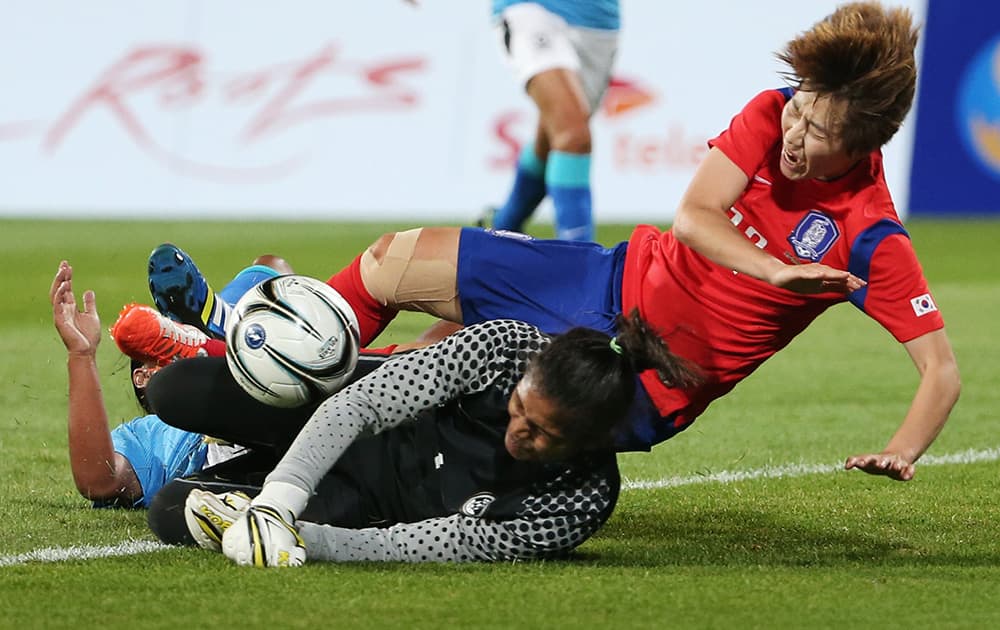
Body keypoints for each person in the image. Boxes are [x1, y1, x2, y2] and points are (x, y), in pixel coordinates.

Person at [154, 3, 960, 481]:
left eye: (816, 131)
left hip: (643, 382)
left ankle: (247, 366)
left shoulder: (870, 236)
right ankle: (267, 351)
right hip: (605, 279)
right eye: (798, 109)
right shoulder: (769, 109)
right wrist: (776, 270)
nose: (793, 131)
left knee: (424, 403)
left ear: (864, 142)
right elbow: (694, 218)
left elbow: (940, 373)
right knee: (392, 261)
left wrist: (900, 450)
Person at [145, 311, 699, 565]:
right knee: (173, 389)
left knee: (169, 510)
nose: (517, 432)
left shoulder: (579, 501)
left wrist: (299, 540)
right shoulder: (503, 346)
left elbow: (433, 544)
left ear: (589, 439)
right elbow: (362, 402)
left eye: (542, 435)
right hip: (348, 419)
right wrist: (279, 500)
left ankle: (234, 484)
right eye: (519, 408)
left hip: (373, 505)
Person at [50, 256, 295, 507]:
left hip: (290, 410)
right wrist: (81, 356)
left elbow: (273, 266)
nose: (171, 347)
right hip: (248, 463)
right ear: (142, 377)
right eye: (163, 347)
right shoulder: (147, 434)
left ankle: (224, 332)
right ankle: (228, 334)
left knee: (270, 269)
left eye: (173, 334)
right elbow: (99, 481)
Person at [481, 0, 619, 241]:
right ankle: (579, 263)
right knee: (574, 134)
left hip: (599, 23)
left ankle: (503, 227)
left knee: (555, 137)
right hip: (532, 11)